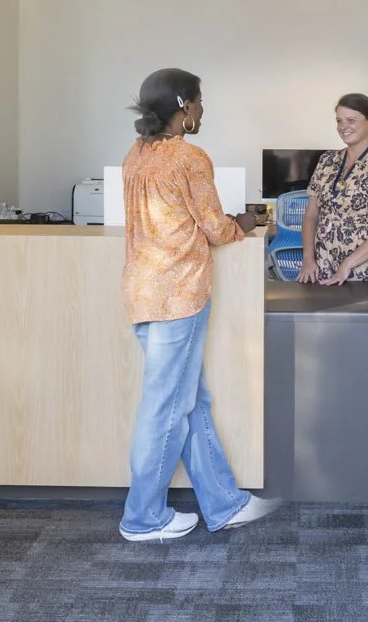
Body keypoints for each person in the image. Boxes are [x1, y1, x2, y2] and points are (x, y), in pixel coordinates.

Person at [117, 68, 283, 543]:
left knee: (188, 402)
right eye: (200, 101)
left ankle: (224, 503)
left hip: (142, 292)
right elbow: (215, 228)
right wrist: (243, 222)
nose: (203, 109)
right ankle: (143, 518)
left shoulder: (136, 154)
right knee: (166, 408)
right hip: (179, 295)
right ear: (183, 106)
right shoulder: (189, 157)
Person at [298, 93, 368, 285]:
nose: (343, 127)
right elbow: (310, 216)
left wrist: (347, 265)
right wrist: (308, 259)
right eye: (339, 121)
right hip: (321, 269)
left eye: (351, 120)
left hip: (364, 272)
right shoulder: (327, 161)